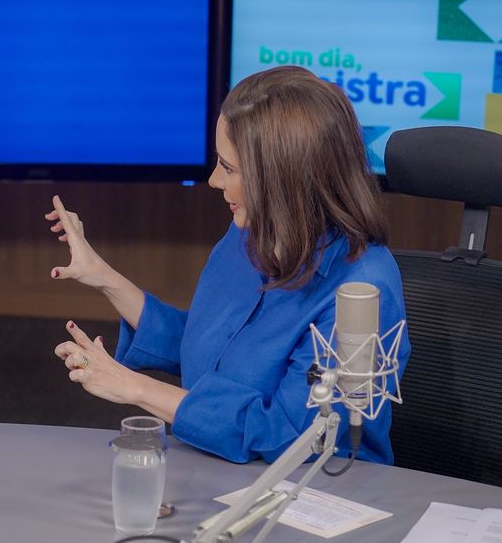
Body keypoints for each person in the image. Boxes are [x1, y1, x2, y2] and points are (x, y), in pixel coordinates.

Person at [47, 65, 410, 464]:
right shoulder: (249, 233)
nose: (214, 180)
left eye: (230, 168)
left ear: (282, 180)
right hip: (220, 469)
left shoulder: (361, 288)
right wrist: (103, 277)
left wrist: (134, 388)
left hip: (313, 491)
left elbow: (289, 434)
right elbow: (211, 350)